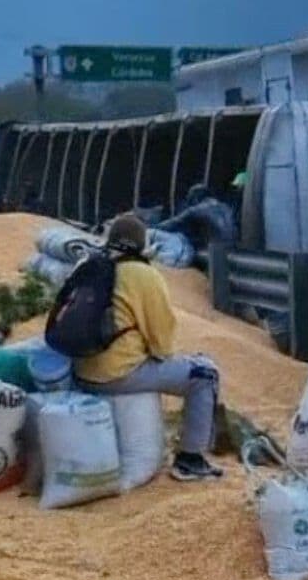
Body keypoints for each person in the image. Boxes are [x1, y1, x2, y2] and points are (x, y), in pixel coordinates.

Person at [74, 213, 226, 481]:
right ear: (142, 244)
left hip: (80, 371)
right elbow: (163, 346)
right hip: (117, 375)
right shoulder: (143, 275)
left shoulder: (88, 265)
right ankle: (190, 459)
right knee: (204, 375)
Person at [156, 183, 238, 257]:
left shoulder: (197, 209)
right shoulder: (226, 207)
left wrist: (151, 227)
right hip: (233, 249)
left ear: (195, 199)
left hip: (215, 252)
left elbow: (172, 223)